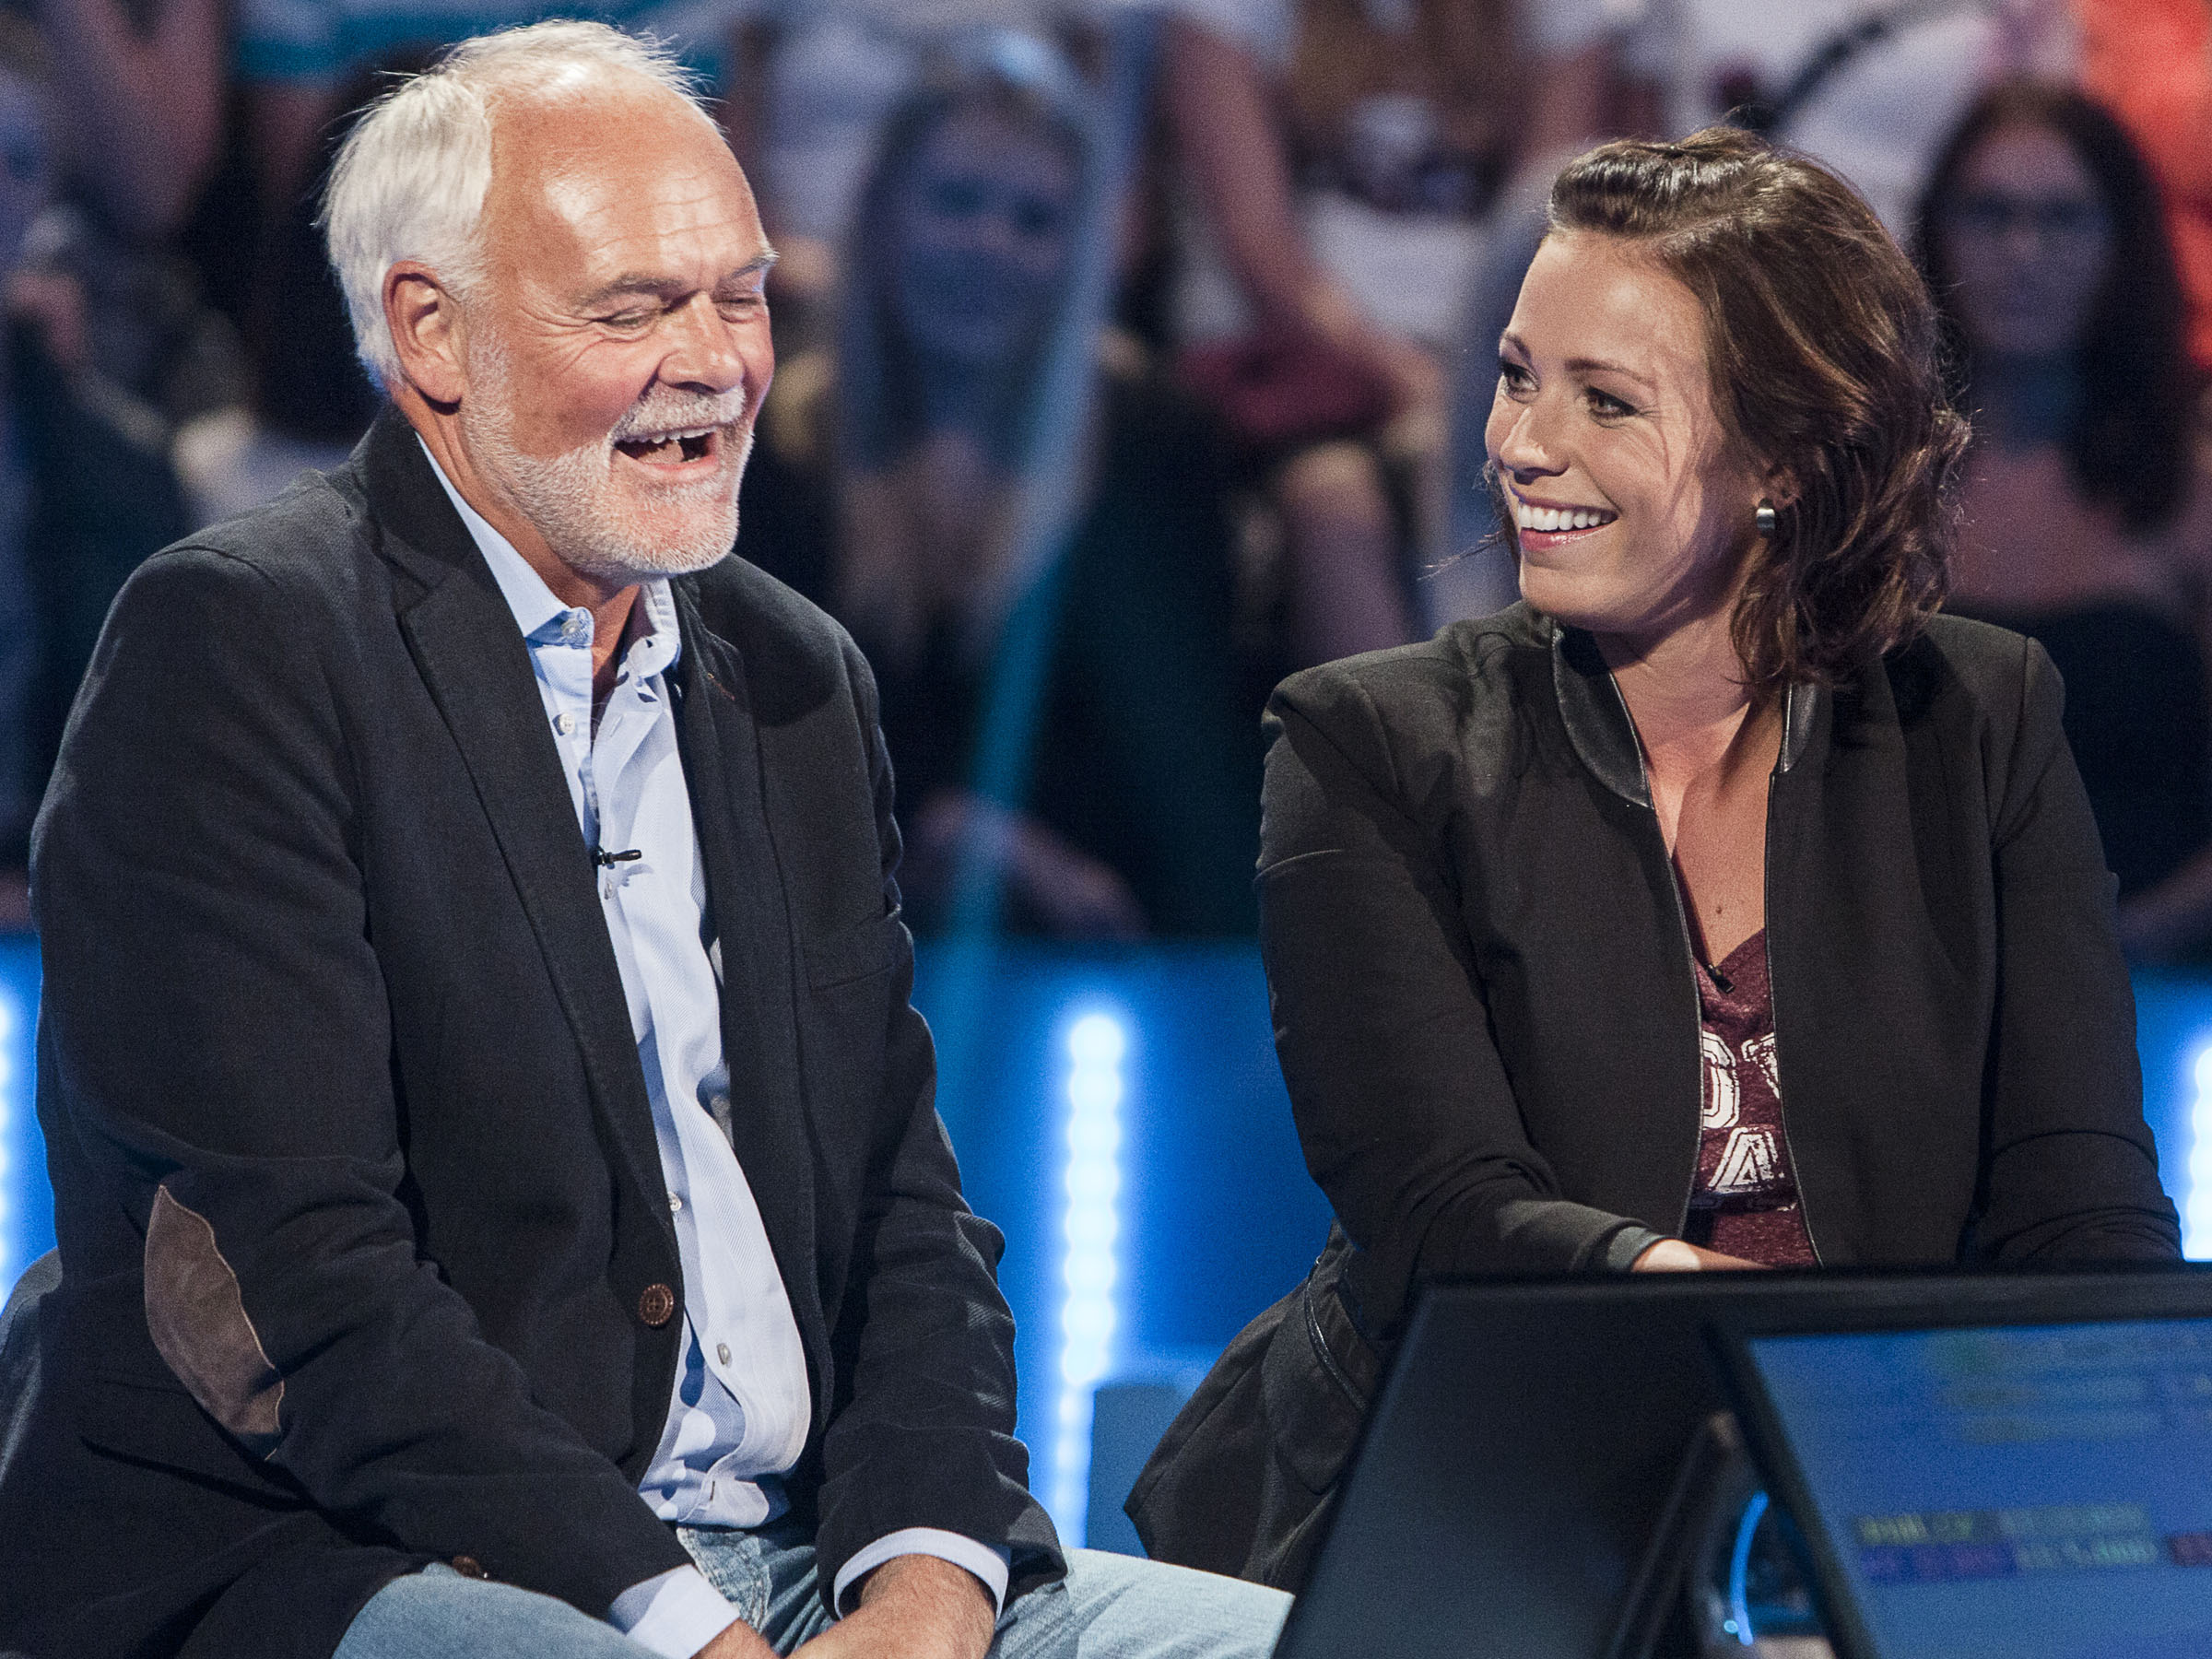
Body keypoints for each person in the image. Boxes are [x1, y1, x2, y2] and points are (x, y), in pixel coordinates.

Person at [0, 23, 1291, 1659]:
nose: (717, 363)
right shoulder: (242, 647)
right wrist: (690, 1631)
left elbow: (900, 1213)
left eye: (740, 296)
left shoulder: (793, 673)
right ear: (431, 333)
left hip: (806, 1555)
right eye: (633, 311)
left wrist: (924, 1589)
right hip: (379, 1557)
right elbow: (302, 1274)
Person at [1126, 124, 2183, 1594]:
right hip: (1481, 1493)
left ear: (1787, 458)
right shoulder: (1369, 742)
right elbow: (1447, 1215)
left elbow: (2082, 1209)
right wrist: (1802, 1370)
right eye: (1516, 376)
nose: (1522, 445)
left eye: (1606, 399)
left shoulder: (1983, 721)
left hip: (1876, 1507)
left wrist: (2119, 1523)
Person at [738, 37, 1262, 939]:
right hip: (829, 947)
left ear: (1080, 254)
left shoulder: (1154, 444)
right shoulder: (772, 449)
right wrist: (938, 841)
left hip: (1107, 952)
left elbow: (1193, 774)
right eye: (956, 202)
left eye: (1033, 220)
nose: (990, 244)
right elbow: (749, 765)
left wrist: (1039, 868)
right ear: (882, 216)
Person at [1919, 82, 2212, 959]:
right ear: (1936, 233)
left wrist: (2123, 947)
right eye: (1991, 213)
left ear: (2124, 242)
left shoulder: (2193, 495)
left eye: (2063, 217)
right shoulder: (1870, 492)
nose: (2024, 251)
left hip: (2157, 984)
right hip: (1906, 987)